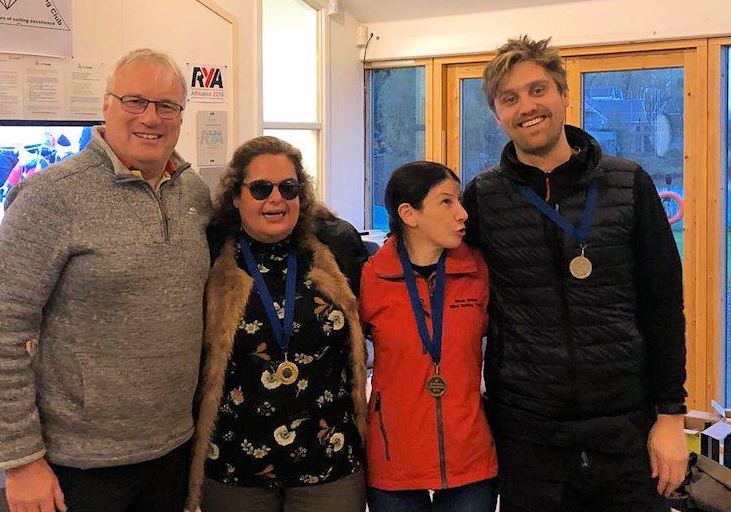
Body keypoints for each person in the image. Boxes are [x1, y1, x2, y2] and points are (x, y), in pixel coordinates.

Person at [0, 48, 212, 512]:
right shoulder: (50, 198)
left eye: (167, 106)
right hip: (77, 468)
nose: (150, 117)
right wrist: (21, 462)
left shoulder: (193, 193)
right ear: (105, 106)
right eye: (134, 101)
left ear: (181, 115)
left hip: (173, 450)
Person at [461, 35, 688, 512]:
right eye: (510, 98)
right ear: (498, 115)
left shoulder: (629, 183)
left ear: (564, 93)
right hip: (528, 431)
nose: (527, 106)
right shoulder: (483, 196)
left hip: (624, 425)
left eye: (538, 89)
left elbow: (663, 304)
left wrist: (670, 414)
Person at [186, 136, 369, 512]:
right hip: (236, 466)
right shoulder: (207, 257)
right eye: (260, 188)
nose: (276, 199)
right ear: (236, 196)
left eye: (288, 188)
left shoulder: (339, 247)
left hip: (329, 462)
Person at [359, 161, 497, 512]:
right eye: (446, 202)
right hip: (395, 460)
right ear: (409, 213)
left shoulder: (479, 272)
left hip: (470, 457)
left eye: (460, 200)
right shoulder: (370, 279)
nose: (463, 213)